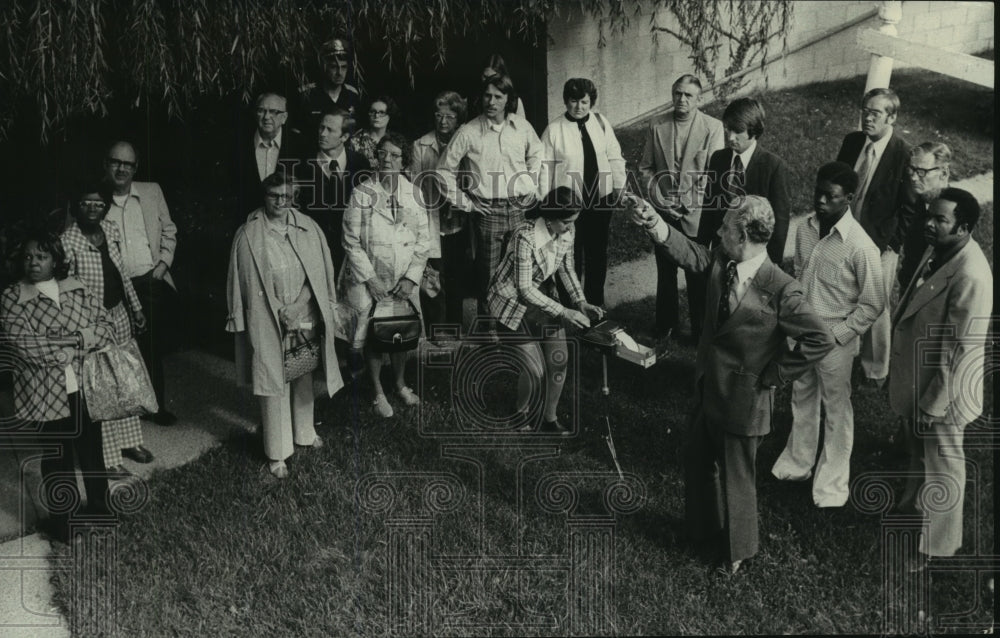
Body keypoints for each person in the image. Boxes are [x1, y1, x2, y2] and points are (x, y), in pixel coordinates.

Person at [631, 194, 833, 574]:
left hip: (745, 400)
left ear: (742, 235)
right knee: (696, 460)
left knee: (737, 478)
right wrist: (654, 223)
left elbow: (819, 339)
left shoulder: (782, 288)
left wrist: (775, 375)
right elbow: (690, 254)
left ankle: (737, 552)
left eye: (724, 226)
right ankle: (702, 531)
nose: (718, 230)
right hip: (708, 387)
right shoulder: (722, 261)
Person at [770, 162, 885, 507]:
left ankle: (832, 486)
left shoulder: (862, 247)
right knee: (802, 397)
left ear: (848, 199)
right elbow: (801, 275)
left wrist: (837, 335)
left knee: (836, 409)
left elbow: (872, 304)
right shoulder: (805, 229)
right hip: (804, 333)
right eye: (817, 192)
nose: (820, 201)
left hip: (836, 341)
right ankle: (797, 464)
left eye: (830, 196)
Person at [888, 188, 992, 571]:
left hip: (946, 392)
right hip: (924, 375)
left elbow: (958, 350)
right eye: (929, 216)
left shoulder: (972, 276)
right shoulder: (940, 248)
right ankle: (911, 504)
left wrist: (932, 405)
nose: (929, 224)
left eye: (940, 220)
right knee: (919, 450)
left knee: (944, 465)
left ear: (963, 228)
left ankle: (936, 546)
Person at [226, 172, 343, 479]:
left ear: (294, 198)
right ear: (264, 197)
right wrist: (279, 311)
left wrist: (296, 308)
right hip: (268, 317)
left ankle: (305, 433)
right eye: (274, 196)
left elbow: (317, 276)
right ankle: (277, 453)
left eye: (286, 196)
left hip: (302, 312)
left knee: (302, 373)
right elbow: (243, 283)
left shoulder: (308, 228)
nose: (280, 202)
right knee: (274, 382)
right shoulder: (249, 233)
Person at [1, 231, 115, 543]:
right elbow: (24, 343)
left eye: (41, 256)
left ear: (55, 259)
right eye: (27, 256)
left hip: (84, 387)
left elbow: (106, 326)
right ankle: (65, 526)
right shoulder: (12, 297)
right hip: (44, 394)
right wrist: (72, 345)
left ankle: (101, 514)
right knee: (57, 458)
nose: (33, 262)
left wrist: (76, 343)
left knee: (92, 453)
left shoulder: (76, 287)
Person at [488, 187, 604, 434]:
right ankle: (521, 413)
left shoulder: (566, 231)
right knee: (533, 370)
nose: (571, 228)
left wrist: (580, 302)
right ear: (549, 216)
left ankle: (549, 418)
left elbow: (566, 269)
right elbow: (525, 290)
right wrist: (565, 311)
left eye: (574, 221)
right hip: (511, 304)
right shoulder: (524, 236)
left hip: (542, 299)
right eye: (566, 221)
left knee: (559, 362)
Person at [62, 186, 155, 479]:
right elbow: (66, 291)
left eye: (99, 203)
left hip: (119, 314)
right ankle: (108, 457)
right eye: (86, 202)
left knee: (125, 381)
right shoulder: (67, 242)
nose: (93, 208)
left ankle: (129, 442)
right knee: (101, 387)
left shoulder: (110, 230)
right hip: (91, 325)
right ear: (76, 206)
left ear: (105, 208)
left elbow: (122, 274)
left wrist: (136, 308)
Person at [437, 73, 542, 320]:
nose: (491, 101)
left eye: (498, 96)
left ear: (508, 99)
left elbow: (538, 153)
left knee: (519, 270)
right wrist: (466, 203)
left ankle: (513, 328)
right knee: (489, 274)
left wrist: (531, 184)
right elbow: (443, 171)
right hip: (487, 213)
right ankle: (490, 332)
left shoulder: (522, 127)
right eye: (487, 95)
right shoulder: (469, 132)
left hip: (518, 209)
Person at [340, 133, 430, 418]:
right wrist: (371, 279)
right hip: (370, 279)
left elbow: (424, 241)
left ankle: (401, 384)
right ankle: (378, 391)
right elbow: (350, 241)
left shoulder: (414, 194)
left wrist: (411, 278)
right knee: (374, 332)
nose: (386, 160)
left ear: (404, 161)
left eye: (393, 155)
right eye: (382, 154)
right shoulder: (361, 193)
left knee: (399, 330)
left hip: (403, 279)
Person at [695, 98, 791, 341]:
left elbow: (779, 221)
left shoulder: (772, 166)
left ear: (754, 131)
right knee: (718, 304)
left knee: (745, 310)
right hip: (722, 248)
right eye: (727, 129)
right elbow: (709, 206)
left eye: (737, 132)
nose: (730, 137)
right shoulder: (718, 159)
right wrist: (702, 244)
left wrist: (773, 264)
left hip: (751, 255)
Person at [639, 74, 724, 341]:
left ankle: (700, 329)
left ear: (699, 99)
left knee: (697, 273)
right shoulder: (658, 125)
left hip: (695, 215)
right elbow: (645, 168)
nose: (682, 99)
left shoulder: (713, 128)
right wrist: (663, 203)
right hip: (665, 215)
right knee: (665, 273)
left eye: (688, 95)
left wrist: (686, 205)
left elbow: (714, 175)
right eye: (677, 93)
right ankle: (666, 325)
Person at [836, 88, 911, 387]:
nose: (867, 117)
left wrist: (891, 245)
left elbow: (909, 209)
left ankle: (875, 368)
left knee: (876, 305)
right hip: (844, 235)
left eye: (875, 113)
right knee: (841, 294)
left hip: (880, 245)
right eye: (865, 111)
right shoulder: (853, 142)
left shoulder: (903, 154)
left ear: (891, 117)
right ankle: (843, 354)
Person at [102, 141, 179, 426]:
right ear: (106, 164)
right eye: (115, 162)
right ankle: (123, 414)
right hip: (112, 286)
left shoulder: (151, 191)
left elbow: (169, 230)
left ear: (136, 168)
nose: (122, 168)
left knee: (151, 346)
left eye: (128, 164)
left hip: (149, 280)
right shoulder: (97, 198)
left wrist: (162, 266)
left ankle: (155, 406)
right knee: (118, 349)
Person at [539, 78, 626, 307]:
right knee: (570, 256)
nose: (579, 107)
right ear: (566, 101)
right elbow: (543, 169)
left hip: (600, 200)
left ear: (591, 102)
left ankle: (595, 305)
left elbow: (614, 155)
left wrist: (618, 185)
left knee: (597, 254)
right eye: (574, 101)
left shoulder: (601, 122)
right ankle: (571, 306)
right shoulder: (554, 130)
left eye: (584, 102)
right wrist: (546, 204)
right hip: (569, 205)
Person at [410, 91, 471, 337]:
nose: (443, 121)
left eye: (449, 116)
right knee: (434, 276)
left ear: (458, 118)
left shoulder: (466, 141)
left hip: (459, 220)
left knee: (457, 276)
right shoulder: (421, 145)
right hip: (431, 220)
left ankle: (455, 327)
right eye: (439, 115)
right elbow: (415, 186)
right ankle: (437, 329)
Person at [294, 108, 370, 274]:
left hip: (351, 253)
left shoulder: (360, 164)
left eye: (330, 130)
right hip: (312, 250)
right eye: (321, 127)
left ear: (344, 137)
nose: (322, 133)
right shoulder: (301, 165)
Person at [234, 92, 305, 219]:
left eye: (273, 112)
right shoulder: (239, 144)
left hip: (287, 223)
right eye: (261, 110)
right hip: (245, 222)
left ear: (284, 118)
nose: (266, 117)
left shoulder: (300, 146)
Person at [897, 142, 951, 290]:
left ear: (944, 173)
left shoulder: (953, 216)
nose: (914, 178)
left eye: (921, 171)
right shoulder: (919, 201)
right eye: (912, 169)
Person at [296, 37, 362, 123]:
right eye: (334, 67)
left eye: (344, 67)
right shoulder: (307, 95)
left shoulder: (352, 94)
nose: (339, 73)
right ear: (324, 67)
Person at [349, 96, 398, 170]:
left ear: (389, 115)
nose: (376, 116)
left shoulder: (395, 140)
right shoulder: (355, 140)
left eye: (381, 112)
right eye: (373, 112)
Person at [477, 54, 526, 119]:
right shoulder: (474, 100)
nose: (488, 81)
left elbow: (522, 126)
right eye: (485, 77)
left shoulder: (515, 102)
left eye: (493, 77)